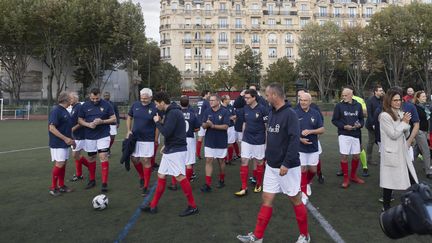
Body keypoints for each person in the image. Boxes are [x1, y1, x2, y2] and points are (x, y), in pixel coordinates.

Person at [237, 83, 309, 243]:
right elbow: (270, 137)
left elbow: (294, 140)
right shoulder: (271, 113)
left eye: (268, 95)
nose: (266, 97)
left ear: (275, 95)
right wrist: (267, 156)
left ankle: (305, 235)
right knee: (266, 198)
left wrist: (286, 163)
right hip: (271, 166)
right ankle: (257, 236)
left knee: (295, 199)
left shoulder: (290, 114)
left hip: (287, 167)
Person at [141, 91, 198, 217]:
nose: (156, 106)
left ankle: (193, 206)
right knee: (161, 175)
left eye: (156, 104)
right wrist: (167, 145)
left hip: (176, 151)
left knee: (179, 177)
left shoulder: (173, 112)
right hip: (171, 149)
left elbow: (166, 132)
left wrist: (157, 122)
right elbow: (174, 131)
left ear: (162, 102)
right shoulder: (172, 111)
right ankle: (153, 205)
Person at [379, 89, 418, 210]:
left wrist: (407, 127)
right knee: (388, 182)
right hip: (392, 152)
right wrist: (404, 123)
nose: (398, 102)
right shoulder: (384, 116)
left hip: (402, 151)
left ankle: (414, 203)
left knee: (411, 178)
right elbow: (393, 134)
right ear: (389, 101)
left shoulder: (400, 113)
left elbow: (404, 133)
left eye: (399, 100)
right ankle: (386, 206)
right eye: (395, 100)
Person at [78, 88, 116, 192]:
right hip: (89, 136)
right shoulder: (84, 106)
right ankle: (92, 180)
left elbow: (114, 119)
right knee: (91, 158)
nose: (95, 100)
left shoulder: (107, 105)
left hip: (103, 135)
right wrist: (88, 124)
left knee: (103, 156)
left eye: (97, 98)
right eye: (93, 98)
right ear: (89, 96)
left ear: (100, 95)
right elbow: (80, 120)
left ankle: (104, 183)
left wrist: (102, 121)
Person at [234, 89, 268, 197]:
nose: (246, 99)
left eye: (248, 97)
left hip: (259, 140)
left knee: (259, 162)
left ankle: (258, 184)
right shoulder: (245, 108)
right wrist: (243, 137)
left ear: (254, 97)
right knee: (244, 160)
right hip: (247, 139)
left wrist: (267, 143)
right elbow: (244, 123)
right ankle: (244, 187)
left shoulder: (263, 109)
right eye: (245, 97)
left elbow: (267, 127)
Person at [126, 88, 159, 195]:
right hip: (135, 138)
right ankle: (142, 176)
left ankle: (146, 185)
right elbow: (129, 117)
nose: (143, 100)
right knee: (134, 159)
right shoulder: (135, 105)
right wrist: (129, 130)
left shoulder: (155, 107)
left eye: (145, 98)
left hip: (148, 139)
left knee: (146, 160)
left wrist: (156, 138)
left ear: (150, 97)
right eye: (142, 98)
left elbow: (158, 125)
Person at [332, 86, 365, 188]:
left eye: (346, 95)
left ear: (352, 95)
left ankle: (353, 176)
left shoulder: (358, 105)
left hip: (356, 134)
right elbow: (334, 120)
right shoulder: (339, 106)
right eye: (343, 95)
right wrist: (344, 126)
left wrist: (360, 124)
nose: (344, 97)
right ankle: (346, 178)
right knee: (344, 156)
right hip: (344, 134)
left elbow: (361, 119)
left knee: (356, 156)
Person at [295, 92, 325, 204]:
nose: (302, 102)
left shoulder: (315, 113)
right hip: (300, 146)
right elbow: (290, 130)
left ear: (310, 102)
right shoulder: (295, 113)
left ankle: (306, 182)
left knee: (313, 170)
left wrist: (311, 131)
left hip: (313, 146)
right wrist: (300, 138)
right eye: (301, 100)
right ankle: (303, 192)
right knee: (302, 169)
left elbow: (322, 129)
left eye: (305, 100)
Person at [168, 95, 201, 190]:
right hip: (189, 139)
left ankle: (174, 184)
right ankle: (186, 184)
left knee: (176, 161)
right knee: (189, 162)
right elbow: (197, 128)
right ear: (188, 103)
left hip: (177, 139)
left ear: (179, 103)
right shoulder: (192, 113)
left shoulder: (175, 113)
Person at [200, 94, 230, 192]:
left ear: (218, 101)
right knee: (208, 160)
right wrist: (206, 124)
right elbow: (203, 125)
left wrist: (212, 126)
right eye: (210, 100)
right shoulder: (207, 111)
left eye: (213, 100)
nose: (211, 102)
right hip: (209, 140)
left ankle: (222, 179)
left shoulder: (225, 112)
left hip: (221, 141)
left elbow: (226, 126)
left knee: (221, 161)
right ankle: (207, 184)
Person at [48, 91, 75, 196]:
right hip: (58, 143)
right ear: (66, 100)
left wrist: (71, 140)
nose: (71, 100)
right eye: (70, 98)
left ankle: (62, 185)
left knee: (63, 164)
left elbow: (66, 128)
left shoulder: (64, 110)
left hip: (64, 143)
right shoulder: (56, 111)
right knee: (60, 164)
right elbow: (52, 128)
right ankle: (53, 187)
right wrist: (65, 139)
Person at [69, 92, 90, 182]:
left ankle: (90, 166)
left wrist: (73, 129)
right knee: (77, 154)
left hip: (80, 135)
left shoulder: (79, 107)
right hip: (75, 135)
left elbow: (82, 120)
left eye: (71, 98)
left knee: (75, 155)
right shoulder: (73, 107)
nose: (70, 100)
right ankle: (79, 174)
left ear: (76, 99)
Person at [413, 91, 432, 178]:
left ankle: (406, 165)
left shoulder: (425, 107)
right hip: (419, 131)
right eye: (423, 97)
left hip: (424, 131)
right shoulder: (416, 107)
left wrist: (427, 132)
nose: (425, 98)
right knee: (426, 151)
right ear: (418, 98)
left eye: (425, 96)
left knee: (416, 150)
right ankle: (428, 171)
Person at [365, 85, 384, 168]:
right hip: (372, 125)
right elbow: (369, 114)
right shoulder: (370, 100)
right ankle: (368, 159)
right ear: (375, 92)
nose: (381, 92)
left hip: (381, 125)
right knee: (371, 141)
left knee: (382, 141)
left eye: (382, 90)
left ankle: (383, 156)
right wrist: (373, 124)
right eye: (380, 90)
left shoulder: (383, 99)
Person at [221, 95, 237, 165]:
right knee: (223, 144)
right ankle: (223, 159)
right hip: (223, 128)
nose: (230, 100)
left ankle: (229, 159)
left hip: (231, 127)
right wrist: (228, 118)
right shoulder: (220, 108)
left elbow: (235, 115)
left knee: (230, 143)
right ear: (224, 100)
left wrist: (232, 117)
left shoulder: (231, 107)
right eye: (228, 99)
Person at [196, 90, 211, 160]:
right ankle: (209, 154)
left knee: (200, 138)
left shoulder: (199, 101)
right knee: (208, 138)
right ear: (206, 94)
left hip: (199, 121)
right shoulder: (206, 102)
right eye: (209, 94)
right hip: (204, 122)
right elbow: (209, 112)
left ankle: (198, 153)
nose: (209, 95)